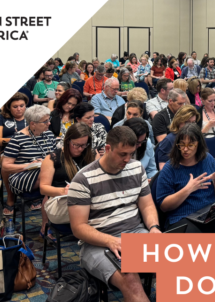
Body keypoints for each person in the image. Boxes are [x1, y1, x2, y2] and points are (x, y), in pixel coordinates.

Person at [67, 126, 161, 302]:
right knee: (130, 279)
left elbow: (147, 206)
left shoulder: (136, 168)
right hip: (97, 243)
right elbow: (78, 228)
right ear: (108, 149)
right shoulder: (83, 179)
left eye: (131, 154)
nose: (127, 159)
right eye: (122, 154)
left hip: (135, 233)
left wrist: (154, 228)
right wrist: (111, 240)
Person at [156, 124, 215, 232]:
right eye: (181, 145)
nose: (185, 149)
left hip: (207, 213)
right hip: (182, 217)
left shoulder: (208, 159)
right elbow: (163, 206)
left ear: (199, 145)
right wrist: (188, 189)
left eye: (190, 145)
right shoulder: (170, 168)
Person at [40, 123, 95, 239]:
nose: (80, 149)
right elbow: (43, 188)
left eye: (84, 145)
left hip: (87, 200)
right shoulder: (53, 158)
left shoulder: (92, 155)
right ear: (68, 141)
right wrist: (63, 191)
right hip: (60, 201)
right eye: (76, 145)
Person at [2, 105, 56, 215]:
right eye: (45, 121)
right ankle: (53, 202)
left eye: (49, 120)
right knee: (48, 172)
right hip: (21, 175)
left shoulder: (49, 134)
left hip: (43, 172)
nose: (49, 123)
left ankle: (53, 203)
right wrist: (29, 165)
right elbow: (6, 166)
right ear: (33, 124)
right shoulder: (18, 138)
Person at [157, 105, 200, 170]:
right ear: (179, 122)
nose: (190, 125)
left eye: (193, 122)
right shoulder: (169, 140)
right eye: (187, 122)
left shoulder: (196, 137)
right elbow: (163, 168)